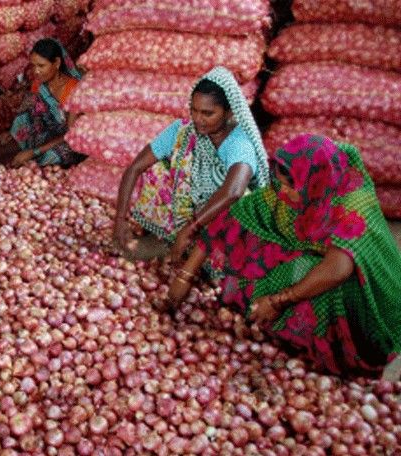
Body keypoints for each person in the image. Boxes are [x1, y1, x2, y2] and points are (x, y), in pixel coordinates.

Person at [168, 134, 401, 380]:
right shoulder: (289, 188)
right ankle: (276, 327)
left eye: (292, 187)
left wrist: (278, 300)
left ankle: (329, 353)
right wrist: (186, 275)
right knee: (251, 237)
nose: (284, 193)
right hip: (315, 257)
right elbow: (234, 216)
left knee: (307, 277)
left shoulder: (353, 204)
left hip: (361, 291)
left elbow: (338, 268)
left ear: (314, 183)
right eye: (282, 184)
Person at [112, 66, 270, 262]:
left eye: (207, 113)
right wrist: (119, 220)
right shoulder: (183, 131)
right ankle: (170, 238)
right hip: (188, 215)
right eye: (194, 110)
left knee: (242, 202)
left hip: (220, 221)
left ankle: (208, 257)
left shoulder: (239, 142)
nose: (198, 119)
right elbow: (135, 168)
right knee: (157, 168)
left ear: (229, 112)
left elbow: (234, 191)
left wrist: (191, 228)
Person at [1, 38, 86, 168]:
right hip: (49, 133)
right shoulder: (38, 84)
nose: (36, 71)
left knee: (48, 157)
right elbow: (28, 113)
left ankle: (35, 160)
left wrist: (34, 152)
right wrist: (12, 133)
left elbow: (70, 133)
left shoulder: (74, 89)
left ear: (57, 63)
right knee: (30, 103)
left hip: (69, 140)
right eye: (33, 65)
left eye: (41, 66)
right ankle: (29, 153)